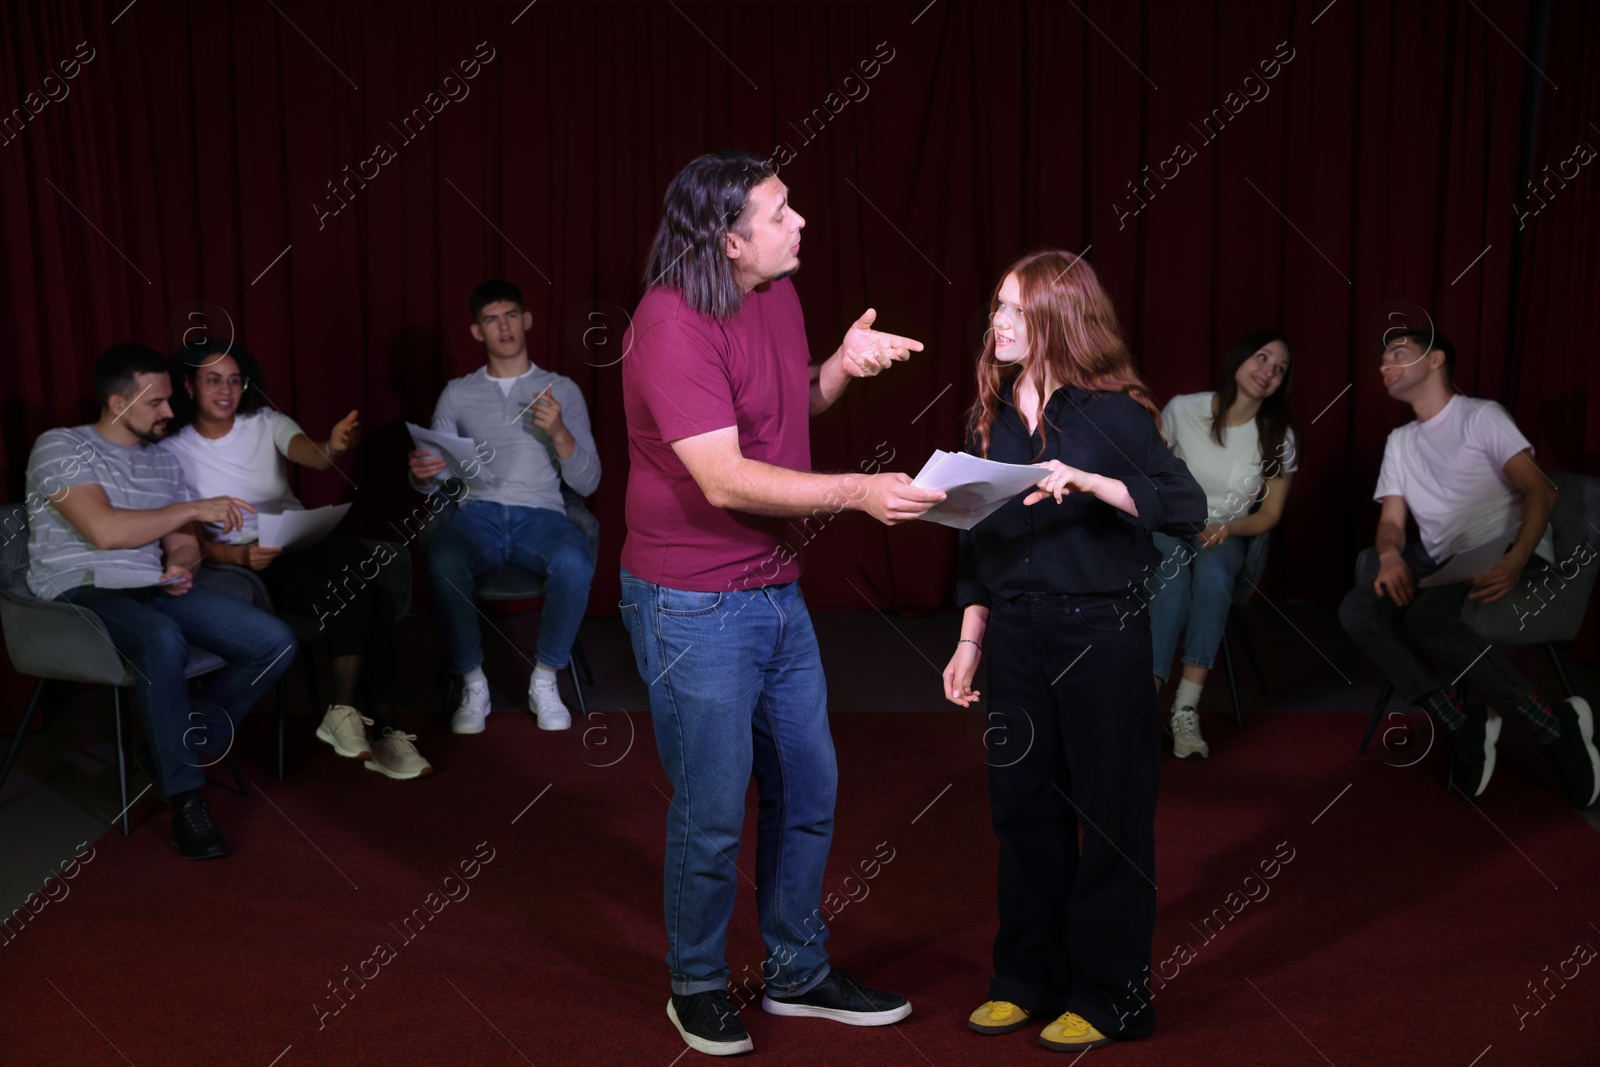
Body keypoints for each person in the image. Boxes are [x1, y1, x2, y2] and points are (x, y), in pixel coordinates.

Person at [619, 150, 945, 1057]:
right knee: (715, 806)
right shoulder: (669, 322)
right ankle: (697, 983)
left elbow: (784, 405)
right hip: (690, 599)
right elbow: (722, 476)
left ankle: (798, 971)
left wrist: (839, 364)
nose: (799, 221)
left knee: (809, 785)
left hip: (771, 586)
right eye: (779, 211)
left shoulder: (775, 294)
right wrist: (858, 492)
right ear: (728, 242)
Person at [941, 251, 1205, 1052]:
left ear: (1059, 317)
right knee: (1023, 811)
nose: (998, 324)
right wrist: (968, 639)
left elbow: (1185, 506)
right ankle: (1025, 977)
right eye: (996, 308)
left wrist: (1090, 481)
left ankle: (1112, 995)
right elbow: (977, 544)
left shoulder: (1117, 413)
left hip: (1100, 632)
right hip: (1016, 632)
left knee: (1110, 814)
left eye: (1016, 311)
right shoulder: (993, 411)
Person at [23, 342, 296, 859]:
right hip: (79, 593)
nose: (171, 412)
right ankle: (186, 799)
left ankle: (179, 744)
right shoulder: (60, 447)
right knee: (161, 638)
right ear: (117, 403)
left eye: (170, 400)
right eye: (156, 403)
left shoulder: (161, 464)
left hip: (152, 590)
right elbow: (103, 531)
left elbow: (185, 541)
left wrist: (182, 564)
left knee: (273, 640)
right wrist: (192, 509)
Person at [1338, 329, 1598, 805]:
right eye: (1381, 360)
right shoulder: (1399, 441)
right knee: (1357, 610)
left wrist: (1518, 560)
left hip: (1499, 547)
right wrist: (1391, 555)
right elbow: (1391, 523)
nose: (1383, 366)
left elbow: (1542, 491)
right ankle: (1458, 721)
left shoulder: (1482, 415)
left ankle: (1551, 727)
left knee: (1425, 619)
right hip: (1441, 560)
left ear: (1435, 359)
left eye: (1397, 354)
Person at [162, 339, 429, 780]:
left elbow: (315, 455)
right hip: (254, 558)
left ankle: (343, 711)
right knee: (373, 599)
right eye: (213, 381)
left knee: (349, 554)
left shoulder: (264, 421)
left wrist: (336, 445)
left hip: (302, 534)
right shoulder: (173, 451)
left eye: (234, 380)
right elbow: (185, 536)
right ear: (189, 386)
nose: (226, 390)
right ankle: (385, 729)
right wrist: (240, 555)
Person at [408, 280, 599, 734]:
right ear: (477, 332)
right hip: (478, 513)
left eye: (511, 314)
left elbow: (589, 480)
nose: (504, 326)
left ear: (527, 320)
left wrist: (558, 433)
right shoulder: (456, 394)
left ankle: (546, 677)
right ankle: (473, 682)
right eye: (491, 319)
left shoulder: (562, 390)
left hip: (543, 515)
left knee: (575, 559)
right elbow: (436, 482)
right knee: (443, 556)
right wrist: (421, 474)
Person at [1147, 330, 1300, 758]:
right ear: (1240, 359)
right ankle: (1144, 704)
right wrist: (1177, 517)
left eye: (1279, 369)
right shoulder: (1184, 408)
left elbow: (1269, 515)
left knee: (1214, 575)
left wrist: (1229, 529)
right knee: (1172, 577)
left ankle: (1184, 709)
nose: (1267, 371)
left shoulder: (1278, 436)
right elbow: (1150, 474)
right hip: (1171, 524)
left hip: (1224, 533)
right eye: (1262, 358)